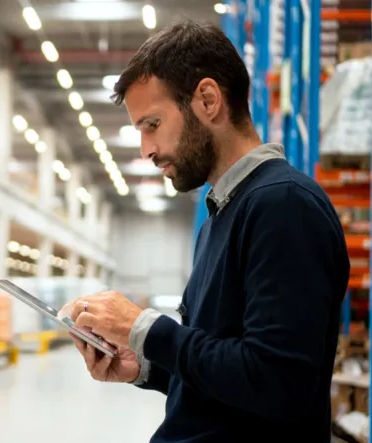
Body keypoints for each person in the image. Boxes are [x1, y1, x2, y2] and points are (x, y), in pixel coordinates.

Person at [60, 20, 350, 443]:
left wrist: (144, 328)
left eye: (152, 124)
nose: (146, 150)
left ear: (208, 100)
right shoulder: (222, 214)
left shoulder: (283, 205)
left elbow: (278, 384)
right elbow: (227, 372)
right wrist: (145, 365)